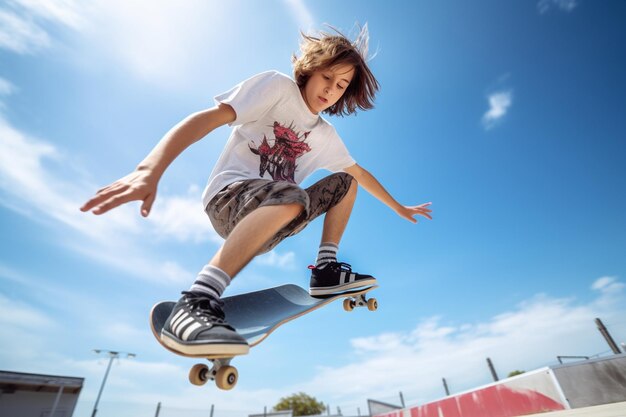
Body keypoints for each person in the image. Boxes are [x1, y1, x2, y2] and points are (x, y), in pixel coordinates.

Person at [80, 25, 432, 357]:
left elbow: (361, 174)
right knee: (292, 195)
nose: (330, 90)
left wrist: (398, 207)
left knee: (346, 182)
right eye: (327, 77)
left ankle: (326, 269)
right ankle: (197, 300)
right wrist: (149, 170)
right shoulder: (277, 89)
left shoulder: (325, 136)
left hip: (274, 219)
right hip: (229, 199)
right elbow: (205, 119)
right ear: (311, 69)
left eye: (340, 86)